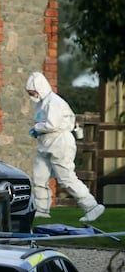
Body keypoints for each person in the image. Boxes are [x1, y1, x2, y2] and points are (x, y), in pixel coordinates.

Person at [26, 71, 104, 222]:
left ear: (40, 89)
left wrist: (37, 128)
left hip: (60, 144)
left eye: (33, 92)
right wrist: (39, 129)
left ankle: (92, 206)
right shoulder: (42, 103)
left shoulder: (54, 102)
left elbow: (52, 124)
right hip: (46, 145)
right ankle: (42, 210)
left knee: (66, 178)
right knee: (39, 177)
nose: (32, 96)